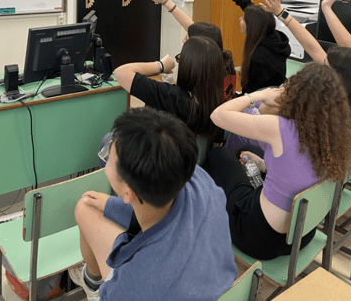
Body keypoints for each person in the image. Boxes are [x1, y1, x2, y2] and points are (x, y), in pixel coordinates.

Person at [69, 107, 237, 300]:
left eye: (108, 157)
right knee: (91, 206)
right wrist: (111, 205)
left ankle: (94, 287)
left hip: (152, 286)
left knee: (85, 208)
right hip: (212, 281)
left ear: (128, 193)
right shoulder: (196, 177)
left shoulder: (134, 284)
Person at [204, 63, 351, 260]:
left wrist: (258, 95)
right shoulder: (335, 138)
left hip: (259, 239)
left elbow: (217, 115)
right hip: (302, 234)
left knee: (220, 155)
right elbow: (300, 168)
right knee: (251, 153)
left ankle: (203, 220)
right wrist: (264, 165)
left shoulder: (282, 128)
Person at [262, 0, 351, 162]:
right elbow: (315, 50)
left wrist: (326, 9)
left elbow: (350, 50)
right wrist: (283, 14)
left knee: (280, 114)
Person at [114, 35, 224, 142]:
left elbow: (121, 72)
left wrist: (160, 65)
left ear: (188, 66)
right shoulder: (217, 103)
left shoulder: (170, 95)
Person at [150, 0, 236, 99]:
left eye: (187, 38)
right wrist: (166, 1)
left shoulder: (197, 76)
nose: (183, 41)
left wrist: (160, 66)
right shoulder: (226, 64)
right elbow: (195, 29)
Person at [220, 0, 290, 92]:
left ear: (251, 26)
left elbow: (252, 95)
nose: (240, 19)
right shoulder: (272, 37)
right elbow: (255, 14)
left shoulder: (258, 58)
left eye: (243, 18)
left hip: (259, 99)